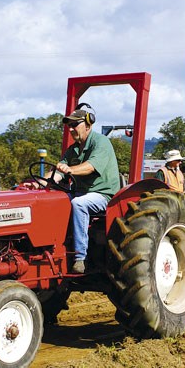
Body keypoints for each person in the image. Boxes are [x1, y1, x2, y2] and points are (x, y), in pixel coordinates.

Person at [56, 106, 120, 274]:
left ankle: (79, 257)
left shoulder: (101, 142)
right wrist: (39, 183)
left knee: (79, 204)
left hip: (103, 195)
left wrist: (70, 169)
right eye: (69, 126)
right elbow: (58, 172)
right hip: (81, 192)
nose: (70, 129)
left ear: (88, 125)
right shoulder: (73, 149)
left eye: (74, 124)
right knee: (54, 201)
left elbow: (90, 167)